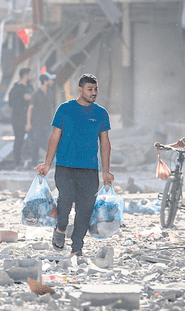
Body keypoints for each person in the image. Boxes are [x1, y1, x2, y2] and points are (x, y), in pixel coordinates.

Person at [34, 74, 114, 257]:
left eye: (95, 89)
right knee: (66, 198)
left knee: (85, 209)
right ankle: (61, 227)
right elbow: (54, 136)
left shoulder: (101, 113)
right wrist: (47, 163)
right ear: (80, 90)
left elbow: (105, 143)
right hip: (65, 166)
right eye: (90, 89)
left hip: (89, 169)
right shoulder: (65, 109)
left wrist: (106, 171)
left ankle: (77, 247)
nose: (94, 93)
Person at [26, 72, 56, 168]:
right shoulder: (36, 94)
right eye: (50, 80)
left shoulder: (51, 94)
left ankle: (49, 163)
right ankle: (35, 164)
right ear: (45, 81)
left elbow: (53, 108)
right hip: (37, 124)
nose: (52, 82)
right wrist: (28, 123)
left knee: (51, 143)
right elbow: (30, 109)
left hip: (48, 124)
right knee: (36, 144)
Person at [8, 67, 34, 169]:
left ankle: (32, 161)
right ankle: (17, 163)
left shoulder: (30, 87)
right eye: (29, 74)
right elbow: (11, 103)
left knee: (33, 140)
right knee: (19, 140)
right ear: (25, 75)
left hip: (30, 117)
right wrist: (23, 98)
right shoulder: (16, 89)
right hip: (18, 118)